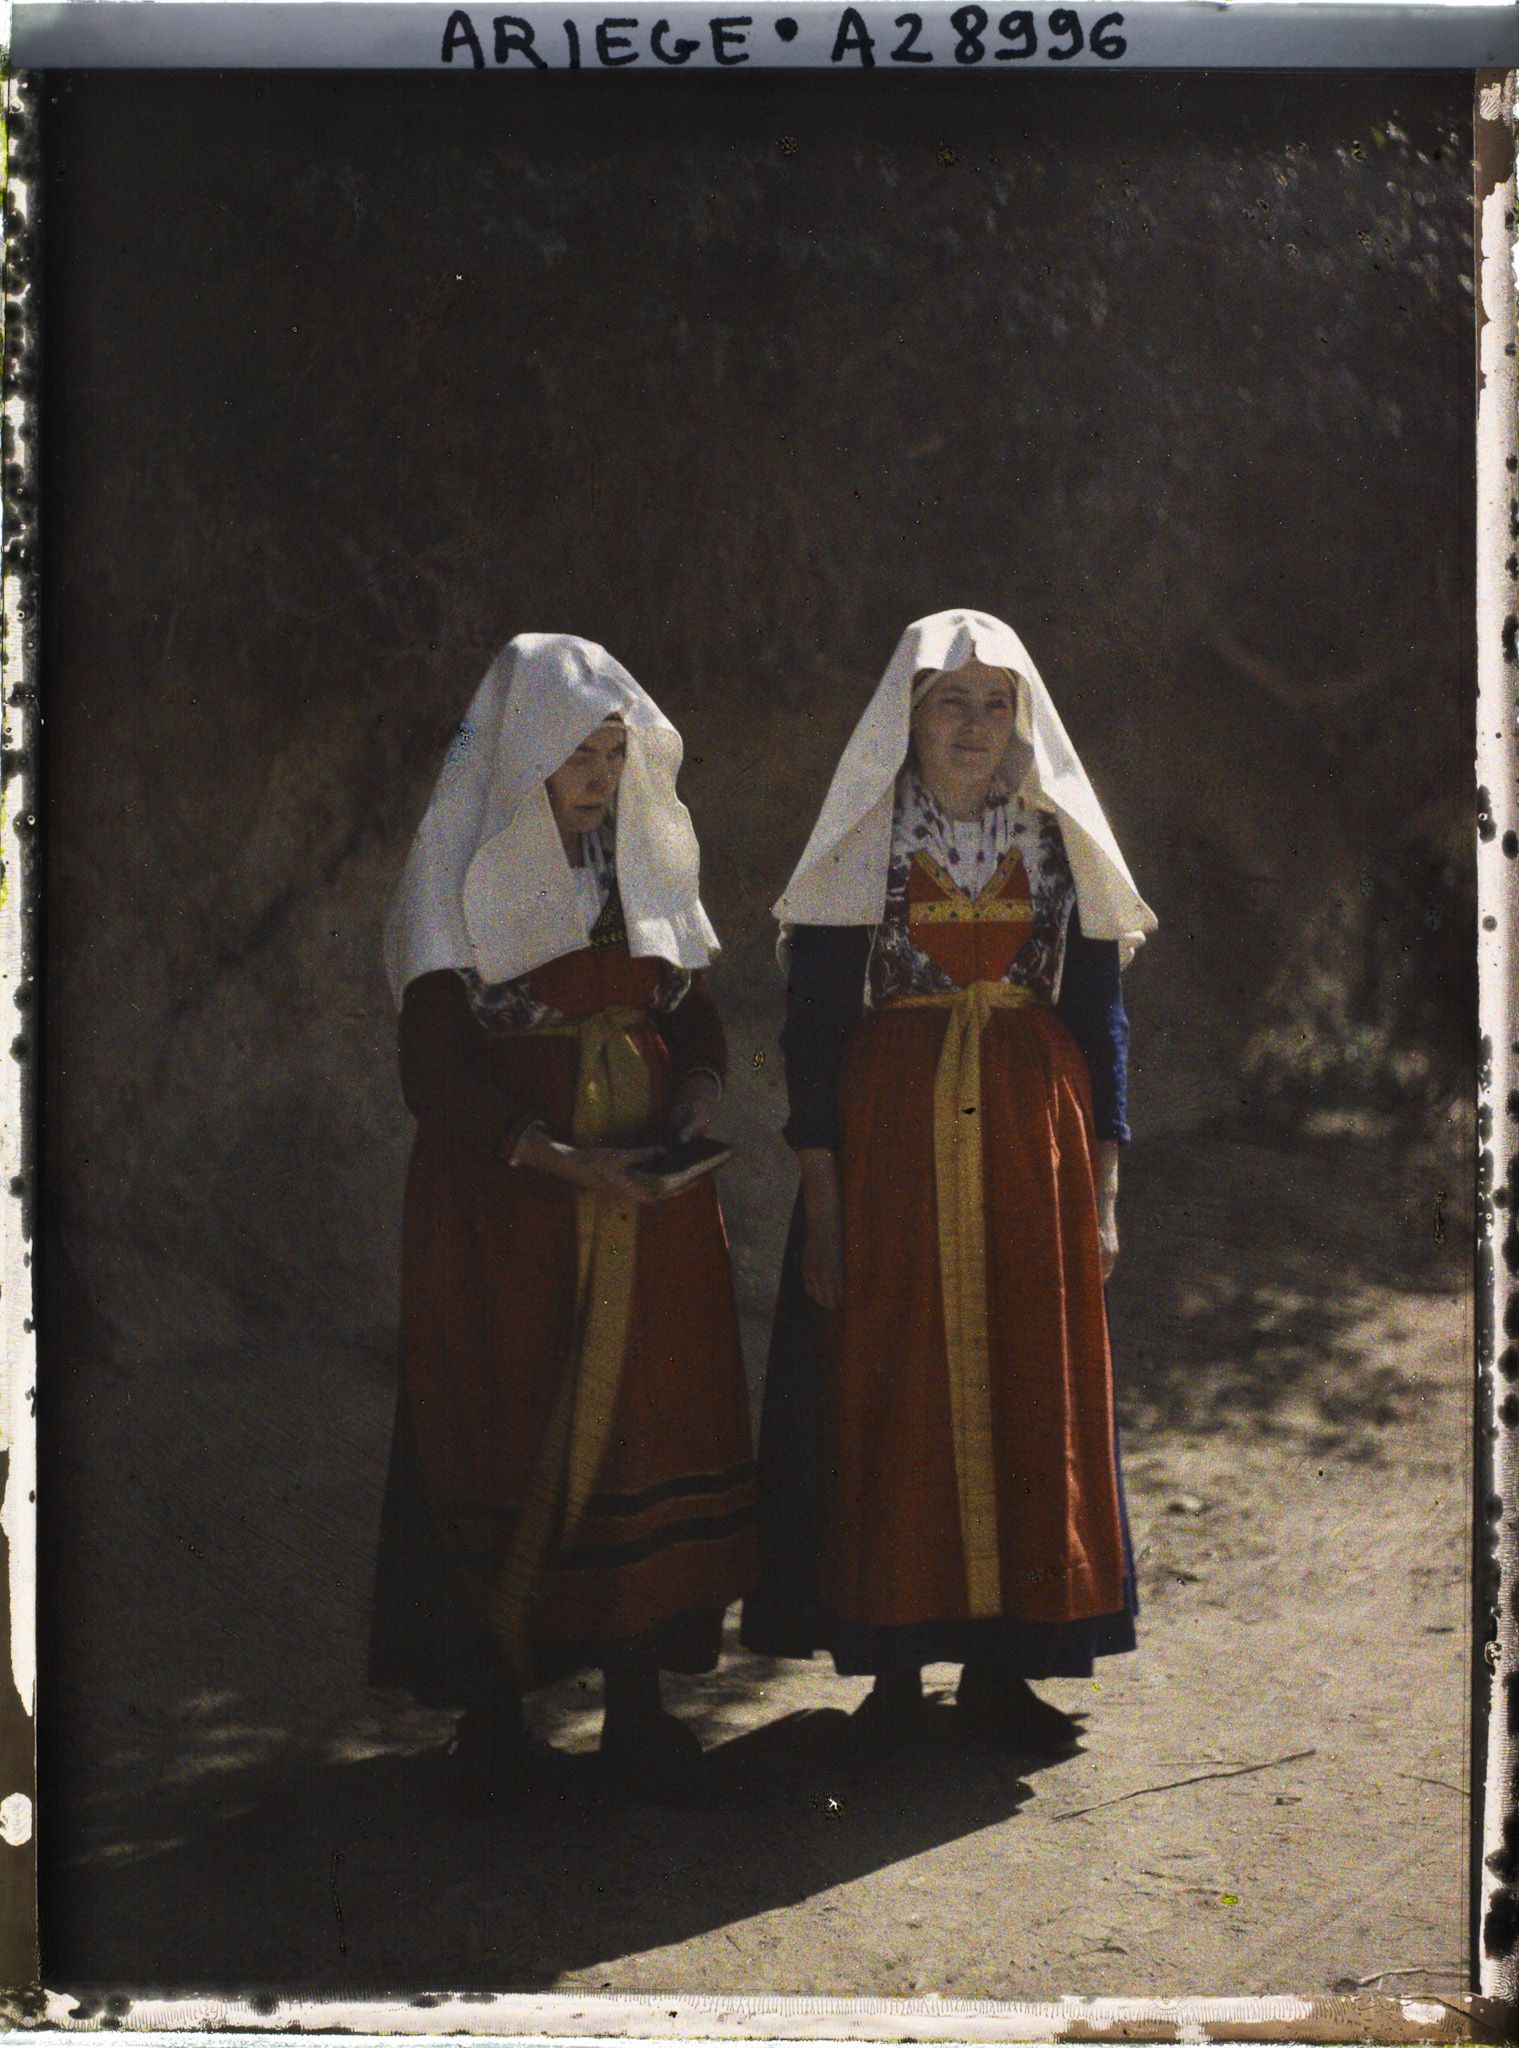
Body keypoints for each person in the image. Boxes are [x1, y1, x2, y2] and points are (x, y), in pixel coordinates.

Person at [741, 608, 1156, 1754]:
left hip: (1032, 1134)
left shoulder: (1056, 834)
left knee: (1025, 1378)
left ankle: (1001, 1668)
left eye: (993, 703)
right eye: (947, 702)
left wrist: (1106, 1190)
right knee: (894, 1379)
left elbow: (1099, 1015)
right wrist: (822, 1199)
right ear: (906, 718)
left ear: (1020, 720)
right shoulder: (863, 839)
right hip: (893, 1136)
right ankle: (891, 1669)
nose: (972, 726)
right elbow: (816, 1025)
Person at [371, 632, 757, 1798]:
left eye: (611, 752)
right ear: (519, 762)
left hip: (644, 1206)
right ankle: (493, 1712)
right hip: (507, 1215)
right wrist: (552, 1158)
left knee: (648, 1424)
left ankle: (637, 1701)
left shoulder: (641, 864)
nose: (598, 777)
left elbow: (697, 1018)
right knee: (503, 1418)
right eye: (574, 756)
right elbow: (436, 1072)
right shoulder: (459, 876)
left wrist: (691, 1095)